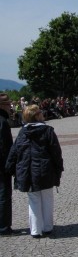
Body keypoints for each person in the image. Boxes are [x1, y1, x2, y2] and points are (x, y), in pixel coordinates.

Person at [6, 105, 63, 238]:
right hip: (45, 169)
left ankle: (35, 230)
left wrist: (10, 167)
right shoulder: (48, 131)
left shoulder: (22, 132)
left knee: (34, 200)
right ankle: (47, 227)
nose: (42, 114)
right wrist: (59, 167)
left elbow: (14, 151)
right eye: (40, 112)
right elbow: (55, 151)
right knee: (47, 197)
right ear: (37, 116)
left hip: (28, 171)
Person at [0, 94, 14, 236]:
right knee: (4, 194)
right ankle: (3, 226)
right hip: (2, 164)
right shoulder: (3, 122)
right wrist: (10, 164)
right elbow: (5, 147)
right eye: (7, 104)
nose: (10, 107)